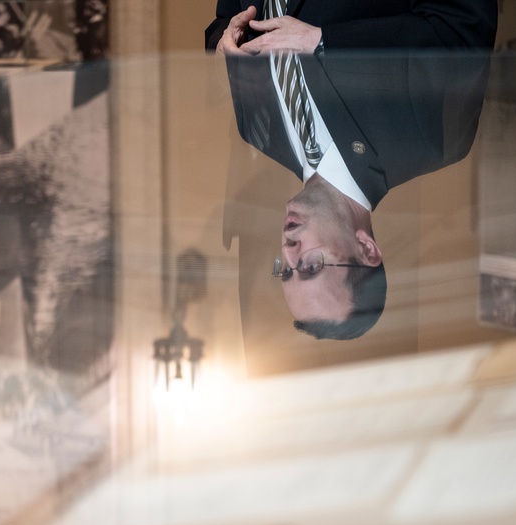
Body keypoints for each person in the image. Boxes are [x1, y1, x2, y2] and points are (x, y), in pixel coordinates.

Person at [209, 1, 496, 339]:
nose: (287, 250)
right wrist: (324, 42)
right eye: (310, 266)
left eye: (285, 271)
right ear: (366, 249)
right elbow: (463, 26)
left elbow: (226, 19)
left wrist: (221, 43)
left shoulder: (257, 132)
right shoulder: (436, 140)